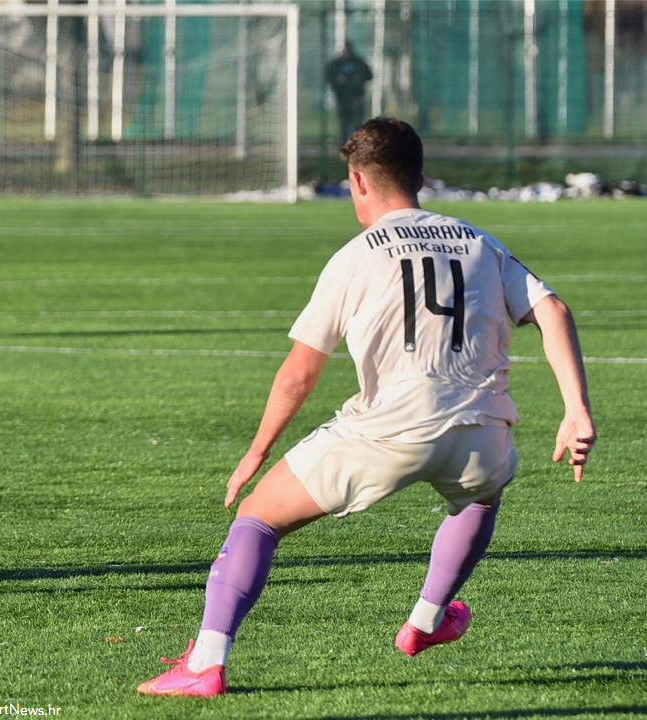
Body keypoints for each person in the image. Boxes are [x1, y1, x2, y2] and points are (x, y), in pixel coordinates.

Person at [137, 118, 596, 697]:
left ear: (357, 180)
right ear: (421, 178)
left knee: (258, 516)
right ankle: (428, 621)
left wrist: (257, 450)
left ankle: (205, 663)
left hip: (388, 431)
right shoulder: (480, 241)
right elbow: (552, 310)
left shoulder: (356, 255)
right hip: (482, 429)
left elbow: (300, 372)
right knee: (481, 494)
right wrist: (575, 409)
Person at [326, 43, 374, 144]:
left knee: (358, 124)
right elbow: (329, 76)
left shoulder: (359, 62)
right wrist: (337, 81)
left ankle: (357, 146)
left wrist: (358, 79)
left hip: (357, 97)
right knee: (343, 124)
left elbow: (369, 75)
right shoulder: (336, 64)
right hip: (342, 98)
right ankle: (344, 146)